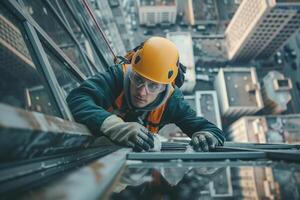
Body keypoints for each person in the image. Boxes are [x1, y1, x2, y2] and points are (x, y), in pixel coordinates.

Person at [66, 37, 225, 152]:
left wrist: (206, 136)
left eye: (153, 86)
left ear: (165, 87)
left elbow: (211, 130)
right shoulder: (118, 76)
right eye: (138, 80)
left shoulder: (171, 102)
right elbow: (77, 98)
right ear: (132, 72)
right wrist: (116, 127)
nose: (142, 91)